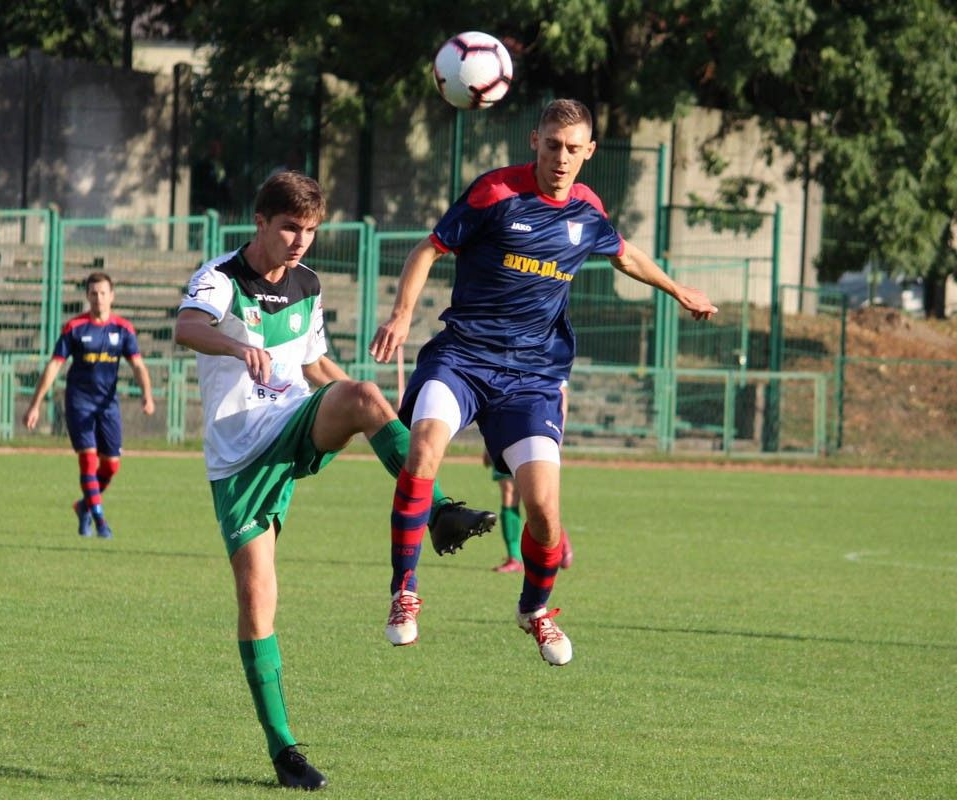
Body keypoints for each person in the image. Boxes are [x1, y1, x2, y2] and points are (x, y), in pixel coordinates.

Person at [174, 171, 494, 790]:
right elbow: (186, 328)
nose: (300, 241)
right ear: (261, 222)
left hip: (292, 421)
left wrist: (367, 407)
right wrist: (238, 348)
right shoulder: (220, 278)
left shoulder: (308, 284)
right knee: (258, 602)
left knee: (367, 395)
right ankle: (284, 752)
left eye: (311, 230)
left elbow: (316, 364)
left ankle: (439, 510)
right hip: (240, 455)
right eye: (290, 227)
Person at [369, 98, 717, 667]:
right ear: (535, 141)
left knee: (545, 512)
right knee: (424, 452)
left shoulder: (588, 211)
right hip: (462, 358)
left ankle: (535, 610)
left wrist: (679, 291)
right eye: (552, 145)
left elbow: (624, 255)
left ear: (589, 153)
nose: (561, 158)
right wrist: (403, 315)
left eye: (572, 149)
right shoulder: (495, 193)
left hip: (532, 378)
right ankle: (403, 593)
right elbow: (428, 249)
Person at [23, 272, 156, 539]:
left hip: (107, 405)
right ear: (87, 296)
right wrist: (35, 404)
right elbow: (54, 366)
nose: (98, 298)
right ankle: (100, 521)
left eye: (103, 293)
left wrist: (147, 395)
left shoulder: (123, 329)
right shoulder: (74, 327)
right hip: (78, 402)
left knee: (112, 465)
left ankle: (83, 505)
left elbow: (138, 365)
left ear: (112, 296)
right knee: (88, 459)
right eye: (93, 293)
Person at [486, 379, 572, 574]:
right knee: (509, 492)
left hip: (534, 431)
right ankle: (514, 557)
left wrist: (557, 433)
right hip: (502, 433)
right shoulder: (498, 354)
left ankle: (559, 539)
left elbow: (561, 392)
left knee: (536, 498)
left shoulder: (542, 353)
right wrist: (487, 441)